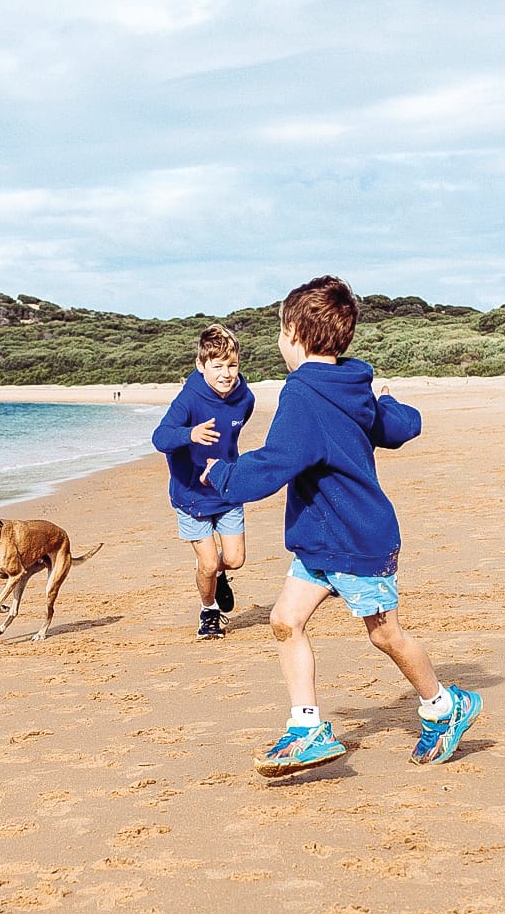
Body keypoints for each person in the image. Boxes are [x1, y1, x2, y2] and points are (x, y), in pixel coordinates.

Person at [201, 276, 481, 776]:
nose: (279, 341)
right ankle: (306, 728)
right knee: (286, 621)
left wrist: (221, 475)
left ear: (295, 335)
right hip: (320, 540)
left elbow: (275, 462)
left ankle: (444, 705)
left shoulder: (305, 396)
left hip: (355, 540)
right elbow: (393, 426)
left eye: (281, 331)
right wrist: (392, 406)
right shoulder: (352, 385)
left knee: (385, 635)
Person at [151, 324, 256, 639]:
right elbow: (160, 437)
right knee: (208, 563)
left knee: (234, 560)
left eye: (232, 365)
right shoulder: (188, 399)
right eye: (217, 366)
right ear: (201, 366)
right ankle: (209, 611)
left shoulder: (244, 398)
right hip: (191, 493)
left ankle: (216, 577)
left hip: (225, 487)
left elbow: (233, 432)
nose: (226, 373)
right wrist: (190, 434)